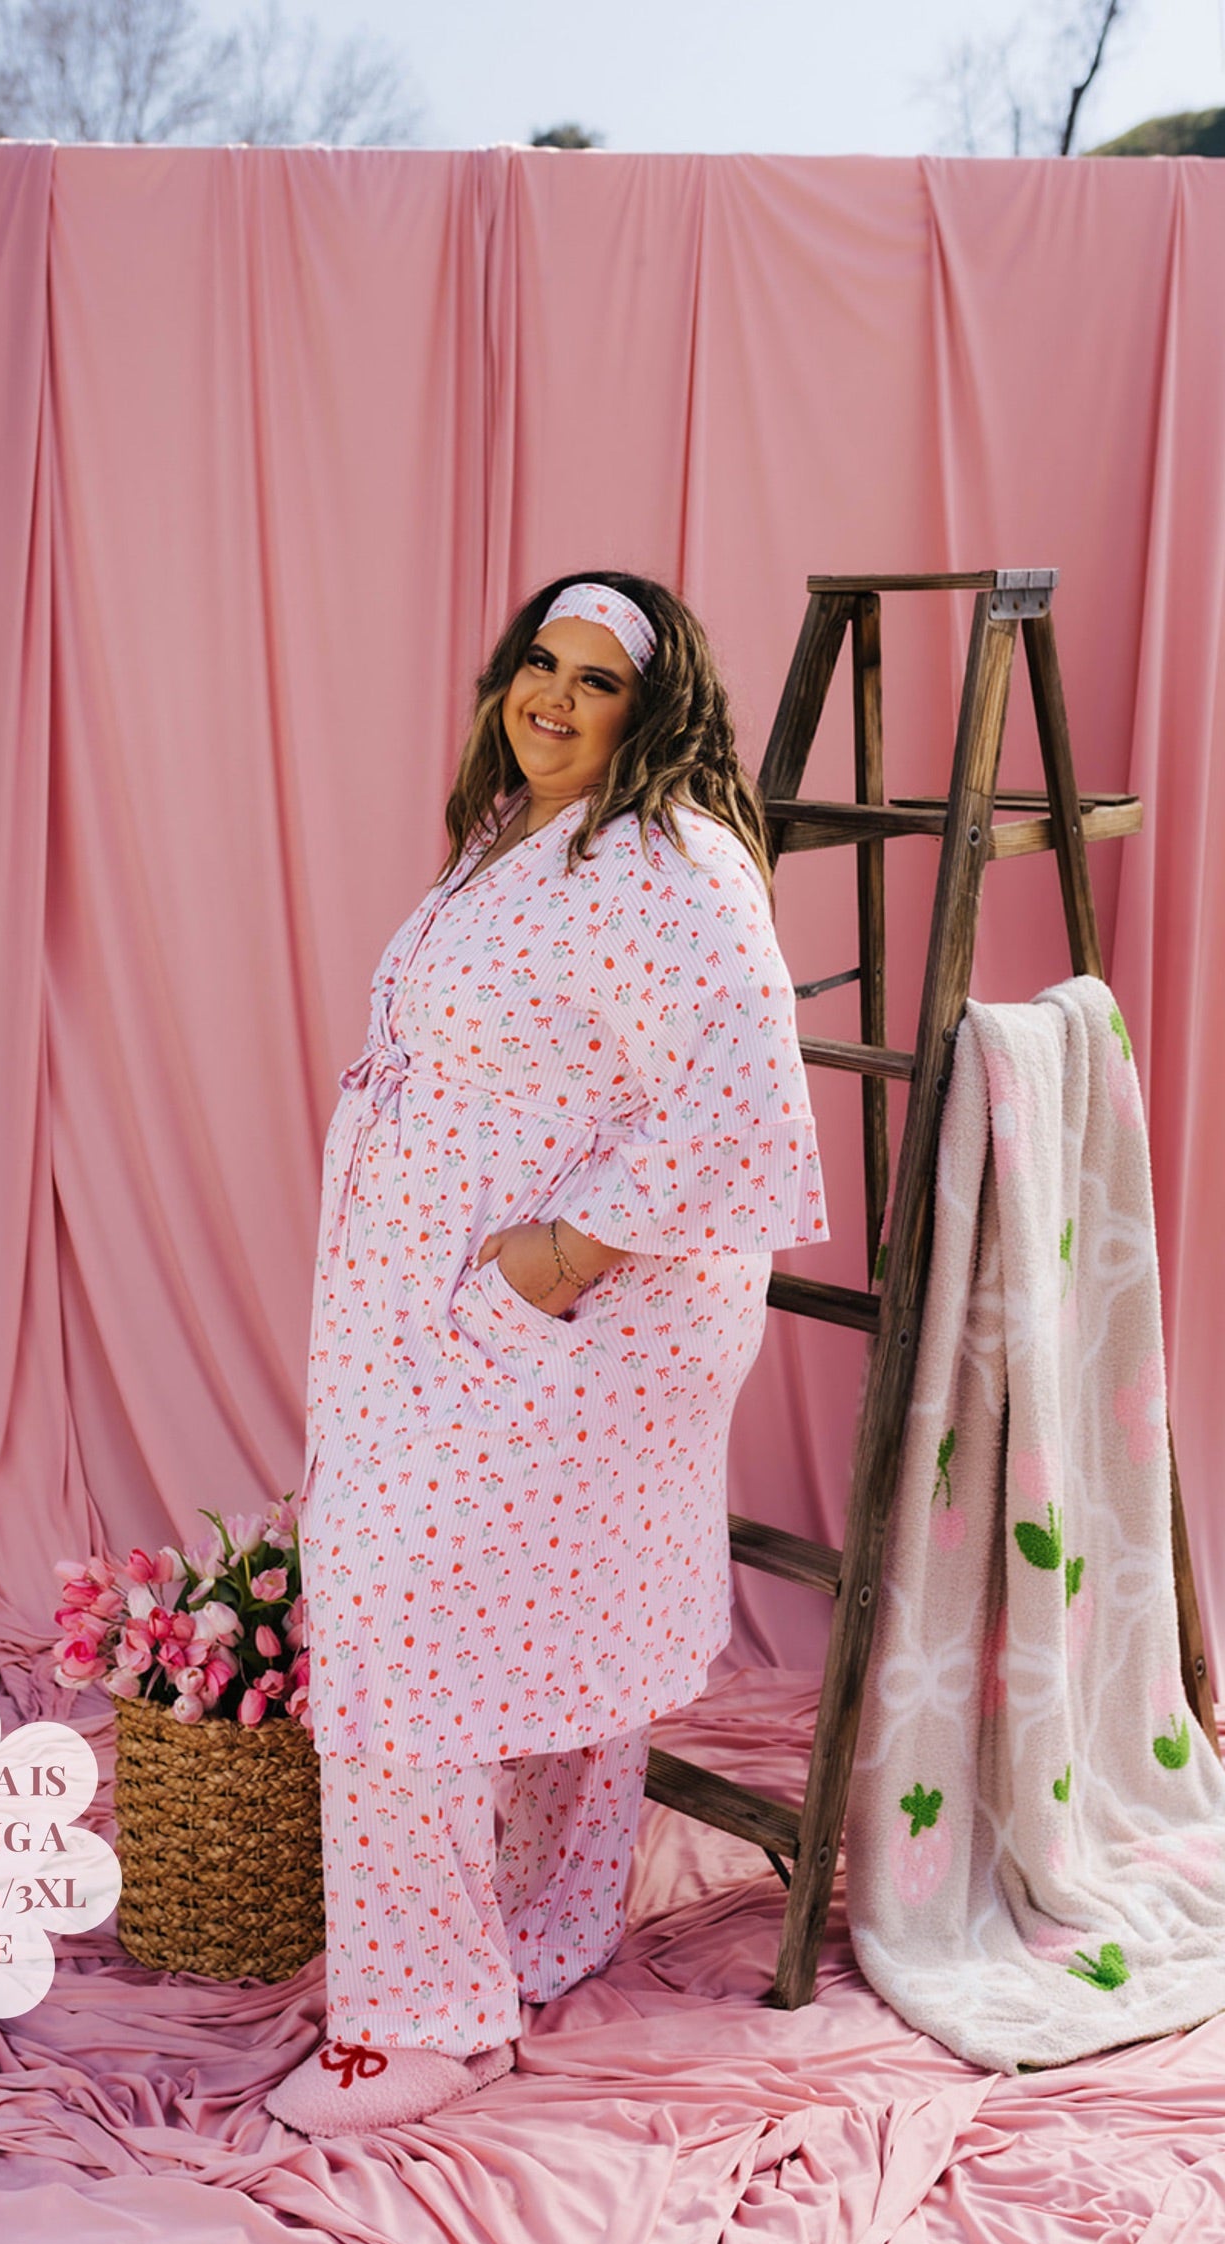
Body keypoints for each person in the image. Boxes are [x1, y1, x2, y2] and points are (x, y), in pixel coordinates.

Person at [265, 572, 827, 2139]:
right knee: (517, 1623)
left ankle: (424, 2022)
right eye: (540, 663)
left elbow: (741, 1107)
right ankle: (545, 1932)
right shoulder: (519, 832)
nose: (555, 697)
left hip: (551, 1322)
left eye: (596, 679)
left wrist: (550, 1264)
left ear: (656, 710)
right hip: (434, 1318)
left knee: (398, 1630)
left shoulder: (671, 860)